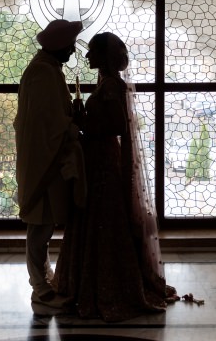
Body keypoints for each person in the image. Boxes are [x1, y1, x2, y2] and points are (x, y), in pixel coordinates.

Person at [53, 32, 177, 322]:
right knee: (96, 217)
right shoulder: (106, 84)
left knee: (101, 217)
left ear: (104, 56)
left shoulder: (111, 86)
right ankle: (96, 282)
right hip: (99, 157)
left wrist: (83, 120)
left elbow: (117, 125)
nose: (87, 57)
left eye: (92, 51)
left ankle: (104, 285)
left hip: (103, 160)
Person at [14, 19, 87, 310]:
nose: (72, 51)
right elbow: (48, 122)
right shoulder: (43, 73)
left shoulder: (47, 68)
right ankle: (39, 285)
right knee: (40, 225)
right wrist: (73, 124)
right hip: (43, 158)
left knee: (44, 223)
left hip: (46, 156)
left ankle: (43, 277)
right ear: (60, 46)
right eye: (69, 46)